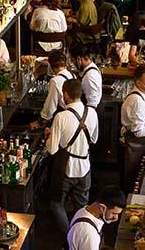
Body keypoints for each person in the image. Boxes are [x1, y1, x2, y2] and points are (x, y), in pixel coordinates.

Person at [46, 79, 99, 236]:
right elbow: (94, 139)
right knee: (82, 207)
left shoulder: (61, 117)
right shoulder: (92, 113)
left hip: (65, 169)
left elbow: (52, 150)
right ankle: (79, 234)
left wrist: (49, 136)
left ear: (66, 95)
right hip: (85, 168)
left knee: (56, 203)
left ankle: (69, 234)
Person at [67, 186, 127, 250]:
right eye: (114, 213)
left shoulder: (84, 210)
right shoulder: (89, 233)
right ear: (102, 208)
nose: (116, 218)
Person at [32, 50, 75, 128]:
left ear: (51, 66)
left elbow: (50, 106)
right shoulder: (72, 74)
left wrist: (39, 122)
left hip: (65, 118)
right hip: (75, 115)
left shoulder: (55, 81)